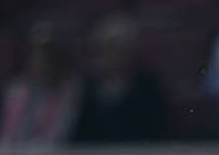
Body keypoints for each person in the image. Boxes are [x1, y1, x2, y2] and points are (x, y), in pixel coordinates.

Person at [71, 14, 170, 145]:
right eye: (103, 46)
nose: (108, 53)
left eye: (116, 46)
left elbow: (156, 133)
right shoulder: (84, 88)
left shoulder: (148, 86)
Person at [0, 24, 81, 149]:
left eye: (45, 54)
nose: (39, 59)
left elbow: (58, 137)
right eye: (34, 54)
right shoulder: (17, 90)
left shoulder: (67, 92)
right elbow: (3, 135)